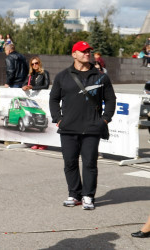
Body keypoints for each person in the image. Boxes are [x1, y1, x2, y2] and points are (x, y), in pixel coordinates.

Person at [49, 41, 116, 210]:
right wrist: (58, 118)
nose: (87, 53)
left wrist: (105, 120)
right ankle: (74, 194)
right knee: (70, 163)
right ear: (74, 54)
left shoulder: (101, 77)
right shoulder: (62, 76)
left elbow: (110, 100)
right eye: (83, 51)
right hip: (68, 128)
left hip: (92, 128)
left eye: (89, 51)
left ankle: (88, 196)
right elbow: (54, 99)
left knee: (89, 163)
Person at [22, 56, 51, 150]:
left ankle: (43, 143)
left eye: (36, 63)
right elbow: (25, 83)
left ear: (39, 63)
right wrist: (24, 87)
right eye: (33, 64)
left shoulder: (44, 73)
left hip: (42, 100)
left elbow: (46, 85)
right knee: (34, 124)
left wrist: (32, 88)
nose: (35, 65)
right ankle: (35, 142)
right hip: (33, 101)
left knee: (41, 122)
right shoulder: (30, 75)